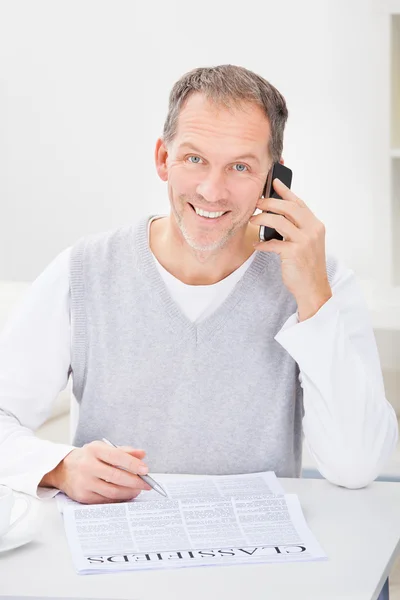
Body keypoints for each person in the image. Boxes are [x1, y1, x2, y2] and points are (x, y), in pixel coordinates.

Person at [0, 64, 397, 504]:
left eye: (240, 166)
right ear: (162, 158)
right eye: (194, 159)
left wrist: (314, 300)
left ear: (273, 178)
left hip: (261, 559)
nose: (212, 190)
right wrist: (58, 467)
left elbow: (357, 466)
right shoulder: (84, 271)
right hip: (114, 556)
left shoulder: (321, 281)